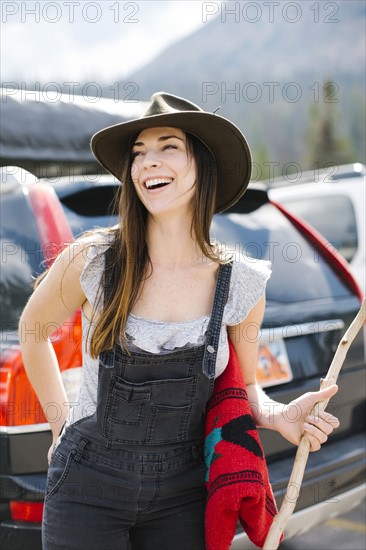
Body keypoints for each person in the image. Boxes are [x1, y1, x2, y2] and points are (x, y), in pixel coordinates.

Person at [19, 92, 340, 550]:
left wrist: (279, 415)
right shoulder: (94, 260)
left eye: (168, 146)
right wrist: (58, 426)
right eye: (138, 153)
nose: (148, 162)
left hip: (183, 494)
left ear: (203, 166)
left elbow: (244, 389)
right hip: (87, 488)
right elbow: (33, 332)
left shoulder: (241, 283)